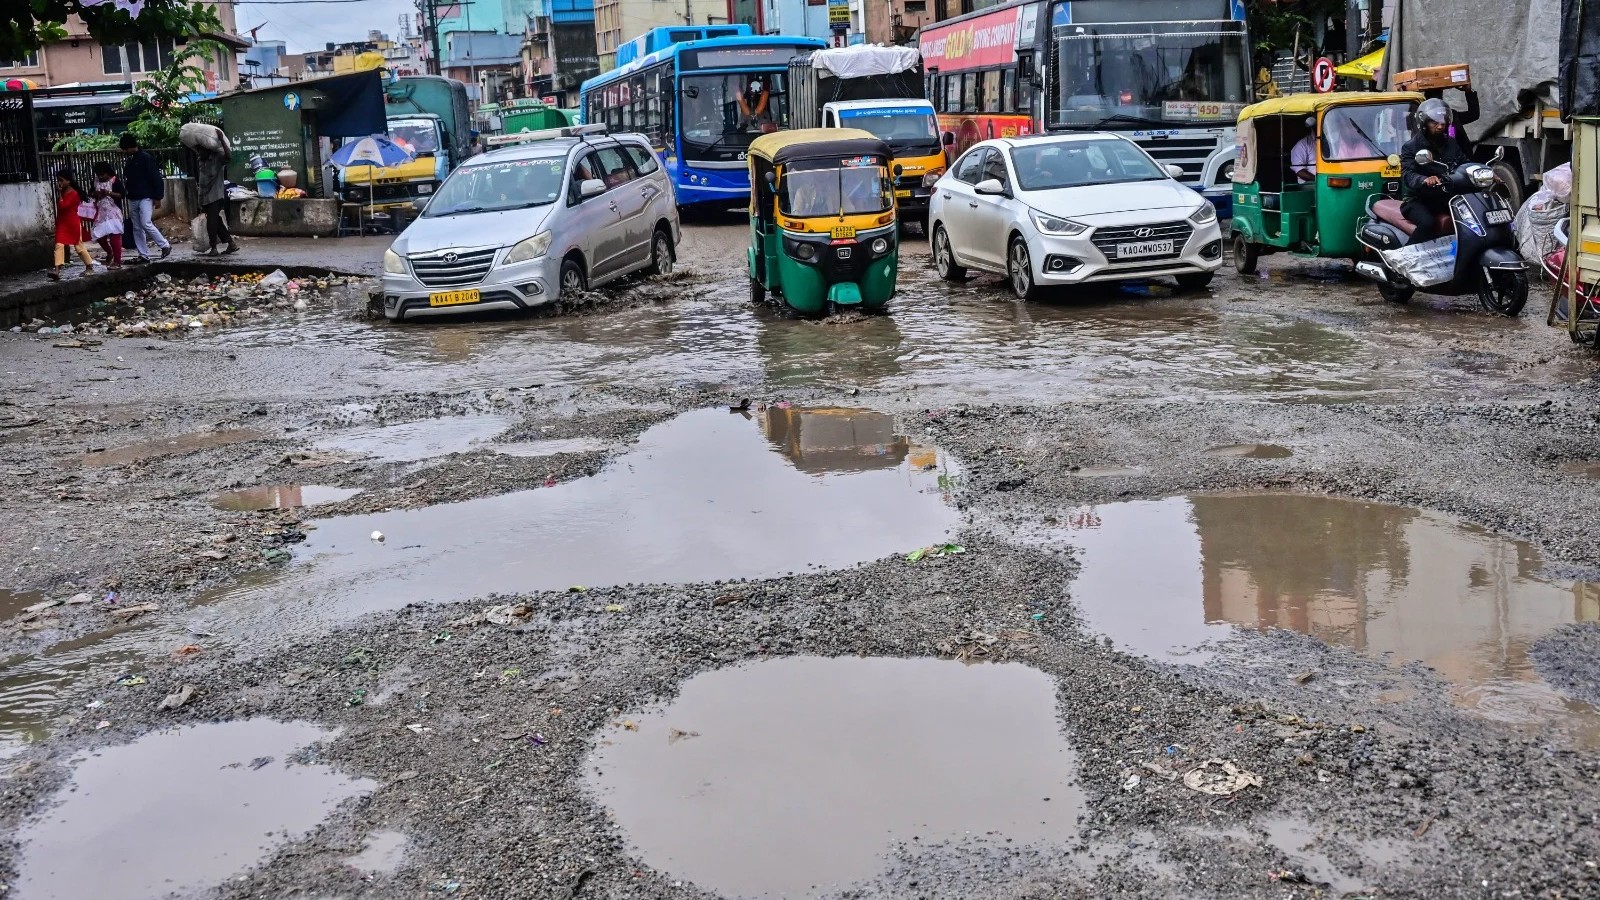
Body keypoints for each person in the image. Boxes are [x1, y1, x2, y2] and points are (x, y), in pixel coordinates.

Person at [1400, 97, 1469, 243]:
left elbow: (1463, 163)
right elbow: (1408, 175)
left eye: (1442, 122)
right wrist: (1424, 180)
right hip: (1418, 200)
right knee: (1427, 223)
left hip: (1445, 197)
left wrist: (1484, 171)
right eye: (1434, 122)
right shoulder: (1411, 147)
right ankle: (1405, 257)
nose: (1439, 126)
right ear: (1424, 123)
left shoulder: (1451, 143)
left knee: (1469, 216)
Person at [119, 133, 171, 264]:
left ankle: (164, 245)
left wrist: (158, 196)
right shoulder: (132, 159)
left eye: (125, 149)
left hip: (145, 196)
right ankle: (143, 254)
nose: (124, 152)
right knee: (137, 227)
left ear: (130, 147)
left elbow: (156, 178)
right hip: (134, 196)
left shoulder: (146, 158)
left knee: (145, 223)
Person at [193, 127, 239, 255]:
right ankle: (231, 243)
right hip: (205, 196)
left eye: (200, 150)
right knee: (216, 221)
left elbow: (229, 157)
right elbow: (202, 182)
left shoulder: (217, 158)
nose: (198, 153)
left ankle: (213, 247)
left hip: (215, 195)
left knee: (212, 222)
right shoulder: (201, 161)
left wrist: (222, 140)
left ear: (207, 150)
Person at [48, 168, 98, 281]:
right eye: (58, 180)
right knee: (59, 245)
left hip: (72, 223)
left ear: (68, 181)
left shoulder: (73, 193)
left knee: (78, 246)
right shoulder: (65, 191)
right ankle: (57, 270)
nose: (59, 182)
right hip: (63, 222)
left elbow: (62, 206)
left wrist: (59, 193)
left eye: (61, 180)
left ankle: (89, 265)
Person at [1421, 85, 1480, 156]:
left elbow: (1473, 114)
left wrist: (1468, 92)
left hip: (1460, 159)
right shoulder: (1421, 119)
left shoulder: (1452, 115)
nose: (1439, 126)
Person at [89, 161, 126, 269]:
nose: (100, 177)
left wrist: (108, 193)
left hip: (113, 211)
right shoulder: (95, 181)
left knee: (115, 235)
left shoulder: (115, 181)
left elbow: (122, 195)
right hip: (100, 212)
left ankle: (117, 261)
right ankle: (110, 252)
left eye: (102, 174)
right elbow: (90, 192)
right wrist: (95, 194)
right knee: (98, 235)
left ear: (108, 173)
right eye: (98, 175)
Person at [1289, 118, 1317, 182]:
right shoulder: (1302, 144)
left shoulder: (1331, 142)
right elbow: (1300, 171)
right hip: (1310, 183)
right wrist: (1319, 181)